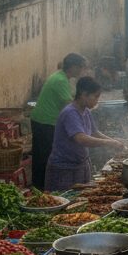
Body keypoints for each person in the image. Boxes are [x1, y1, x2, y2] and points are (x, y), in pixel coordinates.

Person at [45, 77, 124, 192]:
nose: (97, 100)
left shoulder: (86, 111)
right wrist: (109, 143)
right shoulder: (70, 113)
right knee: (65, 198)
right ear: (83, 94)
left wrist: (114, 141)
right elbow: (81, 139)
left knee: (82, 198)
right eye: (95, 96)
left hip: (81, 164)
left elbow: (94, 132)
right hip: (64, 168)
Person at [28, 53, 88, 190]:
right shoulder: (60, 80)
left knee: (41, 156)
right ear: (73, 67)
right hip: (46, 122)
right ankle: (43, 188)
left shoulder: (60, 76)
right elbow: (70, 105)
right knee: (45, 157)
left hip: (42, 120)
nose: (82, 70)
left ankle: (40, 187)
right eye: (81, 67)